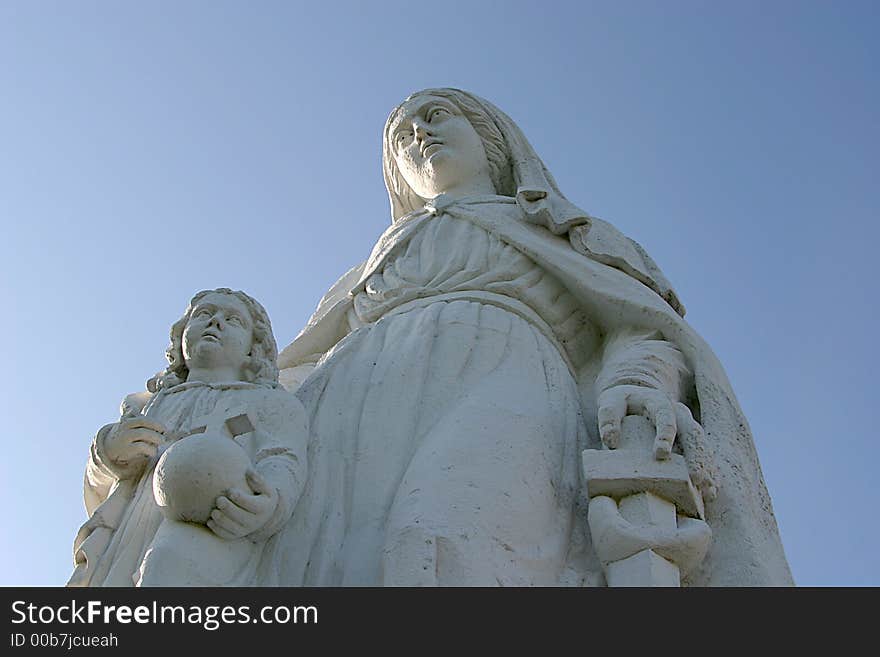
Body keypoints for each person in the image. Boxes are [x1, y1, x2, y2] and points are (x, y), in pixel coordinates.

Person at [276, 88, 792, 586]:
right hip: (350, 401)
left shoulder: (562, 231)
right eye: (401, 138)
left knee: (441, 539)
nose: (419, 134)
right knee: (324, 565)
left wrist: (636, 381)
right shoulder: (370, 268)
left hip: (507, 378)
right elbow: (298, 365)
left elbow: (641, 325)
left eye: (435, 115)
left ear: (491, 137)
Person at [68, 288, 307, 586]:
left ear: (252, 349)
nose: (215, 322)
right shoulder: (150, 405)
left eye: (233, 320)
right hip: (127, 536)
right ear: (181, 338)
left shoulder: (269, 402)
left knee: (169, 566)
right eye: (204, 315)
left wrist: (269, 505)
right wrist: (107, 451)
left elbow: (282, 460)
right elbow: (100, 485)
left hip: (213, 525)